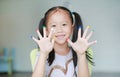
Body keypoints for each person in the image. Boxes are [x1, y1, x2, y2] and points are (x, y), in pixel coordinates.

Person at [31, 6, 97, 77]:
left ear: (72, 28)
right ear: (46, 31)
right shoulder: (40, 54)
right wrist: (43, 54)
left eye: (64, 24)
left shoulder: (81, 52)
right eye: (54, 25)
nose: (59, 30)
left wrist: (81, 55)